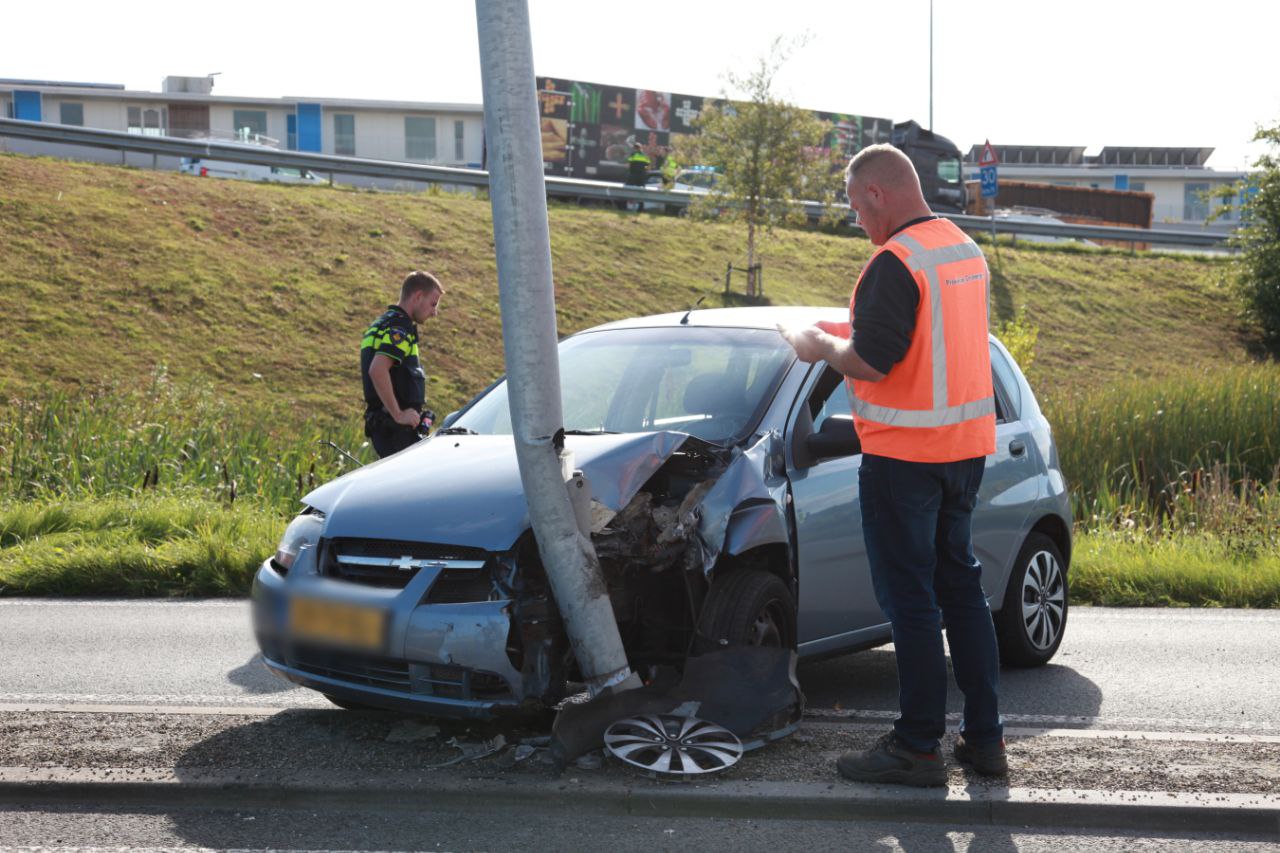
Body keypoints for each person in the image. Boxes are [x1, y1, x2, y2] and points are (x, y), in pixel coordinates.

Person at [778, 144, 1003, 787]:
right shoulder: (960, 248)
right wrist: (836, 324)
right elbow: (912, 329)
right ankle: (985, 742)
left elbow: (873, 361)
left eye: (855, 207)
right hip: (963, 452)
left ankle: (917, 748)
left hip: (903, 459)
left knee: (910, 604)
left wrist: (821, 345)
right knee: (961, 592)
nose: (857, 221)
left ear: (877, 193)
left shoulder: (893, 261)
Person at [361, 271, 445, 458]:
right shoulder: (400, 327)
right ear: (418, 296)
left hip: (383, 427)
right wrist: (399, 414)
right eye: (433, 303)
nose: (434, 312)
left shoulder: (381, 323)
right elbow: (377, 370)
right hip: (396, 430)